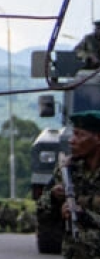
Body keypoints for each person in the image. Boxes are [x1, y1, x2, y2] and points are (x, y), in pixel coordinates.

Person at [37, 109, 100, 258]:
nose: (71, 140)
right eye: (73, 133)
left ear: (98, 138)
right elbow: (42, 216)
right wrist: (53, 198)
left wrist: (85, 216)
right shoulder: (67, 170)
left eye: (79, 135)